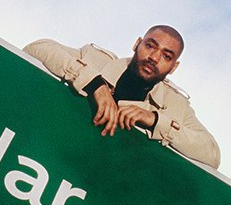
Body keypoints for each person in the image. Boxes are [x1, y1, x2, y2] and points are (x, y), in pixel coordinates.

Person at [24, 26, 220, 169]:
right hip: (46, 158)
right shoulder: (94, 58)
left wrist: (154, 120)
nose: (154, 57)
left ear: (174, 67)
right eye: (150, 46)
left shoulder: (177, 106)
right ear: (137, 44)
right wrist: (95, 84)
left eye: (167, 56)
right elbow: (37, 48)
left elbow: (212, 155)